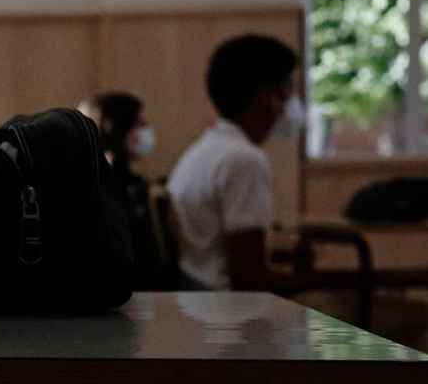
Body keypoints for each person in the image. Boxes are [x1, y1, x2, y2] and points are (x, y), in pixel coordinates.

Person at [167, 35, 301, 291]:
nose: (288, 107)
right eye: (285, 93)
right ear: (265, 97)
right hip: (227, 312)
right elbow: (249, 282)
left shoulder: (204, 149)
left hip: (197, 297)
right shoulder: (244, 160)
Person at [91, 92, 169, 290]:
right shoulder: (102, 184)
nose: (146, 130)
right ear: (117, 128)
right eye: (139, 124)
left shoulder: (137, 184)